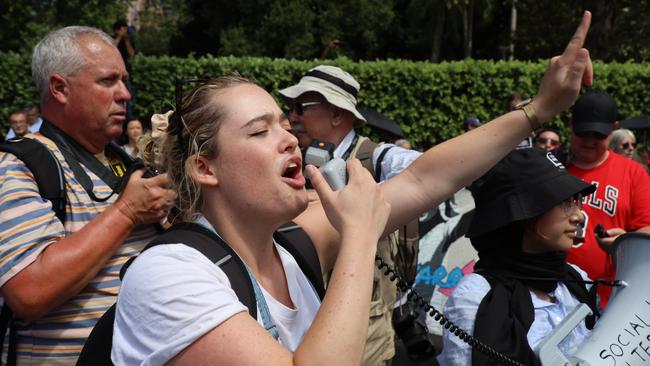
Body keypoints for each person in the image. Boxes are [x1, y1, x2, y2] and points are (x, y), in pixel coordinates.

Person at [111, 11, 594, 365]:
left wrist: (539, 107)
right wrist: (361, 240)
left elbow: (428, 177)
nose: (289, 139)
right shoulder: (169, 273)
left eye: (286, 124)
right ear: (205, 168)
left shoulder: (293, 245)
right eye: (260, 131)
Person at [0, 26, 175, 364]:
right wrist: (126, 214)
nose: (125, 94)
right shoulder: (18, 165)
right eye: (108, 81)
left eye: (125, 81)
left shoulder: (125, 162)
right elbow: (28, 291)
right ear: (59, 88)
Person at [279, 64, 423, 364]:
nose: (292, 117)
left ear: (336, 114)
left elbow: (425, 172)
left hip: (366, 346)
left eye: (301, 107)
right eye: (291, 108)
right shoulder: (294, 162)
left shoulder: (378, 159)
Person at [438, 148, 597, 366]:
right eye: (565, 203)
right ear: (526, 214)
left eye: (576, 201)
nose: (579, 216)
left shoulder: (576, 279)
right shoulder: (476, 297)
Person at [566, 90, 650, 308]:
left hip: (608, 300)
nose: (589, 142)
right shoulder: (552, 165)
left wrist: (625, 242)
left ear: (614, 128)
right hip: (551, 296)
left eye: (599, 135)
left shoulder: (633, 173)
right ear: (570, 123)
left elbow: (647, 229)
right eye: (583, 133)